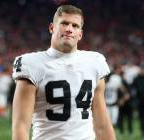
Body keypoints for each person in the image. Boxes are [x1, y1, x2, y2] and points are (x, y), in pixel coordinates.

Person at [12, 5, 116, 140]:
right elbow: (21, 125)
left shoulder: (95, 62)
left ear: (80, 34)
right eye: (64, 23)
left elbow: (102, 123)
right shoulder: (32, 64)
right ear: (52, 28)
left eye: (75, 26)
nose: (69, 29)